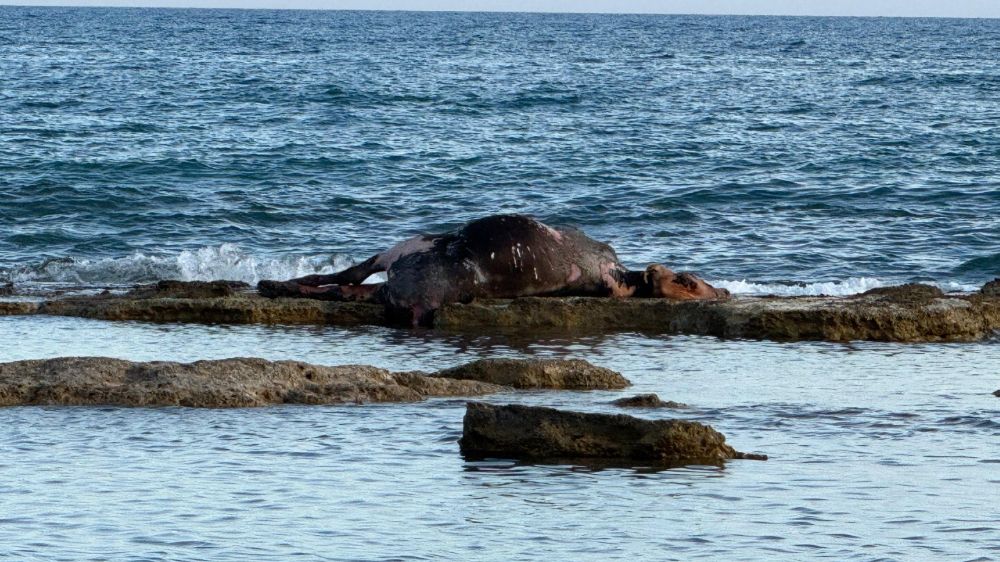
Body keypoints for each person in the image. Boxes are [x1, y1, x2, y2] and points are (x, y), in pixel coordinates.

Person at [258, 214, 728, 325]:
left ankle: (312, 288)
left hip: (447, 250)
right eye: (687, 285)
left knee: (356, 278)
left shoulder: (601, 260)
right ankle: (310, 290)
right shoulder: (606, 268)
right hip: (456, 259)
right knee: (373, 290)